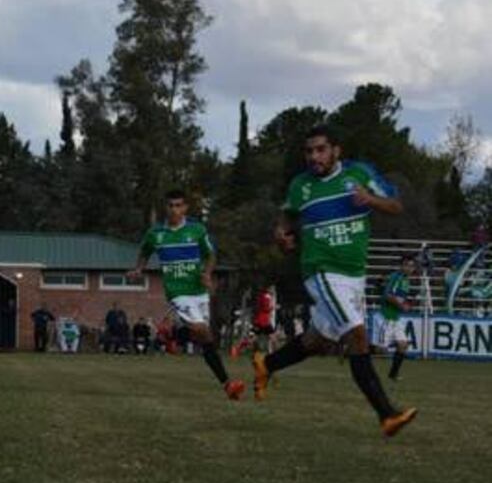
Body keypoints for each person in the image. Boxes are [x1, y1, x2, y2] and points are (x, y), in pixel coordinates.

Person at [255, 125, 417, 437]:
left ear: (336, 151)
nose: (314, 156)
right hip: (321, 271)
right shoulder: (300, 185)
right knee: (357, 336)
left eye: (320, 149)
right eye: (309, 151)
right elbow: (287, 215)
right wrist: (281, 233)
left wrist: (369, 198)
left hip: (354, 273)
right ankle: (387, 415)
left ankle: (267, 364)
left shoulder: (359, 174)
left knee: (319, 341)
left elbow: (396, 206)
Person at [129, 189, 245, 400]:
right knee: (200, 329)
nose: (174, 210)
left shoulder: (197, 230)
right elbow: (145, 251)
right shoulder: (156, 234)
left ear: (185, 208)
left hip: (199, 291)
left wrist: (207, 274)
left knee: (206, 338)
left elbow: (210, 255)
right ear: (165, 208)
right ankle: (171, 337)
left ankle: (227, 385)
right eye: (170, 206)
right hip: (178, 292)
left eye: (178, 205)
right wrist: (139, 269)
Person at [375, 254, 416, 381]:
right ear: (401, 266)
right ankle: (351, 351)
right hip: (386, 316)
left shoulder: (406, 280)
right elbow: (388, 295)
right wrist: (402, 306)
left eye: (411, 266)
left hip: (395, 317)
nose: (409, 268)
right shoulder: (397, 277)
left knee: (403, 345)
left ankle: (393, 374)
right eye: (407, 265)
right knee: (380, 350)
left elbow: (398, 297)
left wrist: (406, 304)